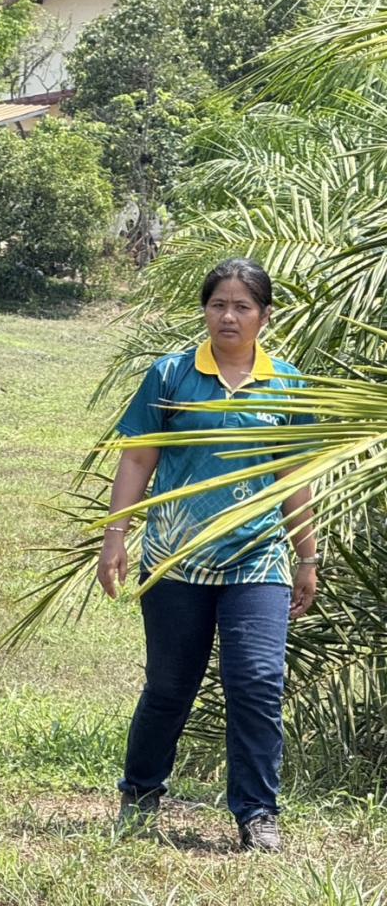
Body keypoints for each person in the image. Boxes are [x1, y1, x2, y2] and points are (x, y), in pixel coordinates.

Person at [97, 257, 318, 853]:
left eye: (243, 306)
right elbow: (139, 457)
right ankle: (140, 795)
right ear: (205, 310)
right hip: (176, 557)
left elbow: (294, 475)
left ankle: (258, 813)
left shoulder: (288, 384)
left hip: (259, 560)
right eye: (219, 304)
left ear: (264, 317)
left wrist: (306, 555)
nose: (229, 315)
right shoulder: (170, 375)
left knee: (257, 681)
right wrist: (115, 536)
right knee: (170, 684)